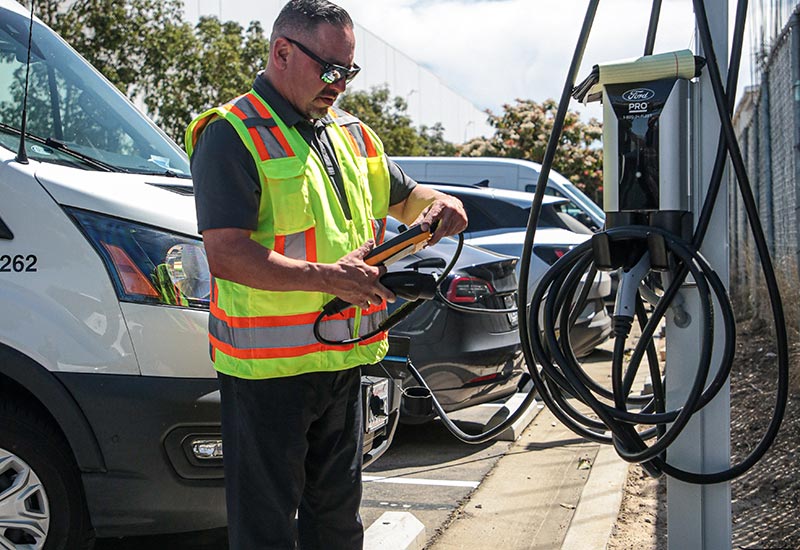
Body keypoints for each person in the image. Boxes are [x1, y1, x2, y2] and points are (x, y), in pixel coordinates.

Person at [185, 1, 467, 548]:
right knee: (266, 531)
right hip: (266, 376)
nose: (339, 84)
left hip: (344, 358)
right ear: (282, 52)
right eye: (330, 69)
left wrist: (441, 206)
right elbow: (226, 254)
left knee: (337, 522)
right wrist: (328, 278)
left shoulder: (353, 134)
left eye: (349, 71)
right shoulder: (231, 134)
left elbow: (408, 199)